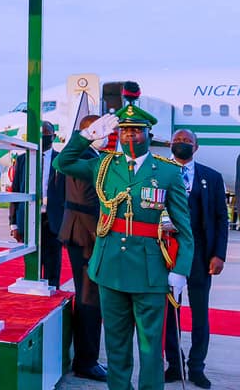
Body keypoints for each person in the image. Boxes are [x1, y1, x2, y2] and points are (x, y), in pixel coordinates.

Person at [53, 99, 194, 390]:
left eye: (137, 131)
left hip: (149, 271)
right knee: (116, 347)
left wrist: (180, 270)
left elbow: (183, 228)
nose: (131, 136)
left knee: (150, 349)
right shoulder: (104, 165)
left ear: (148, 135)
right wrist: (86, 136)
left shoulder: (167, 173)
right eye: (126, 131)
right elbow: (61, 163)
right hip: (111, 268)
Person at [163, 129, 228, 388]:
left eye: (187, 142)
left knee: (200, 313)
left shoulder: (212, 177)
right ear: (170, 144)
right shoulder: (159, 173)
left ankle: (197, 366)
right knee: (170, 311)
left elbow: (221, 219)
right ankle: (174, 365)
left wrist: (219, 255)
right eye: (177, 141)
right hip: (169, 253)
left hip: (202, 255)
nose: (182, 144)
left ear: (196, 147)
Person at [58, 114, 109, 382]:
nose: (108, 134)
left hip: (85, 232)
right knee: (90, 297)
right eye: (103, 129)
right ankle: (86, 361)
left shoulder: (91, 156)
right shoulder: (85, 157)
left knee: (91, 296)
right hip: (86, 234)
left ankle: (87, 357)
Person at [9, 120, 65, 288]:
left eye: (46, 136)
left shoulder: (61, 161)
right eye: (39, 136)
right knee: (32, 258)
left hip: (53, 218)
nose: (42, 139)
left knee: (53, 260)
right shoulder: (23, 160)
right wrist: (13, 224)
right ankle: (32, 288)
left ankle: (53, 290)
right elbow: (16, 191)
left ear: (53, 137)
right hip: (29, 216)